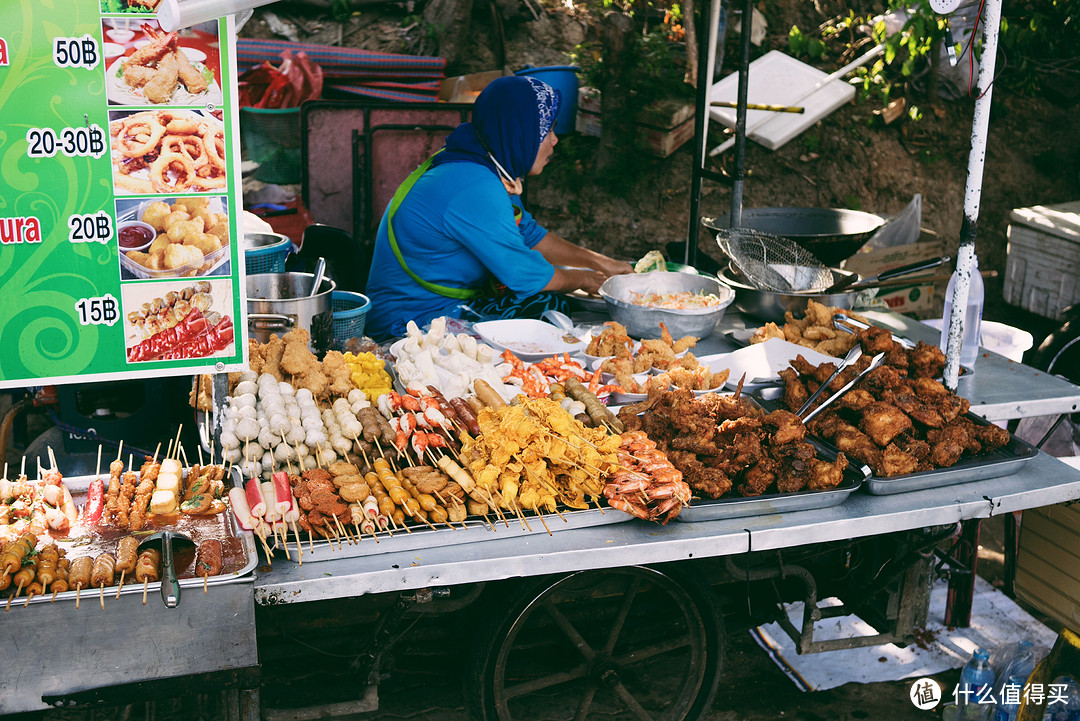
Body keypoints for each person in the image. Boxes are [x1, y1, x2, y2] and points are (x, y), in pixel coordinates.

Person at [364, 75, 633, 339]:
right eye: (547, 130)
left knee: (551, 304)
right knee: (547, 310)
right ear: (520, 132)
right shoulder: (474, 185)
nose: (555, 140)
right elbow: (524, 275)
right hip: (407, 323)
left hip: (433, 309)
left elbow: (529, 235)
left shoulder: (488, 167)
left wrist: (602, 263)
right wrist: (584, 279)